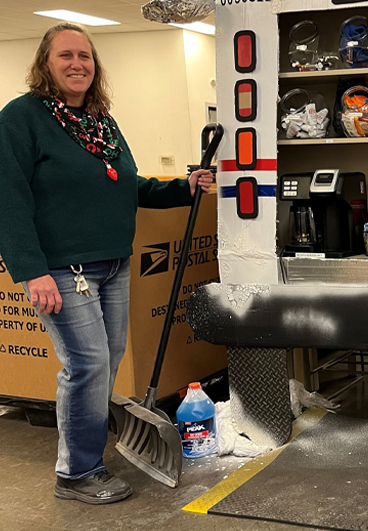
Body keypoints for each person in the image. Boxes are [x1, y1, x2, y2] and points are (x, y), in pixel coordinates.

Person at [0, 22, 214, 505]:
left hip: (113, 264)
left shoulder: (99, 120)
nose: (78, 64)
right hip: (61, 270)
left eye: (86, 56)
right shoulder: (21, 118)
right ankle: (76, 472)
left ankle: (85, 456)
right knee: (87, 364)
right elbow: (7, 199)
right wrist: (32, 270)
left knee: (105, 363)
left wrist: (182, 186)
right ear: (45, 64)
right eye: (66, 56)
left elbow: (124, 184)